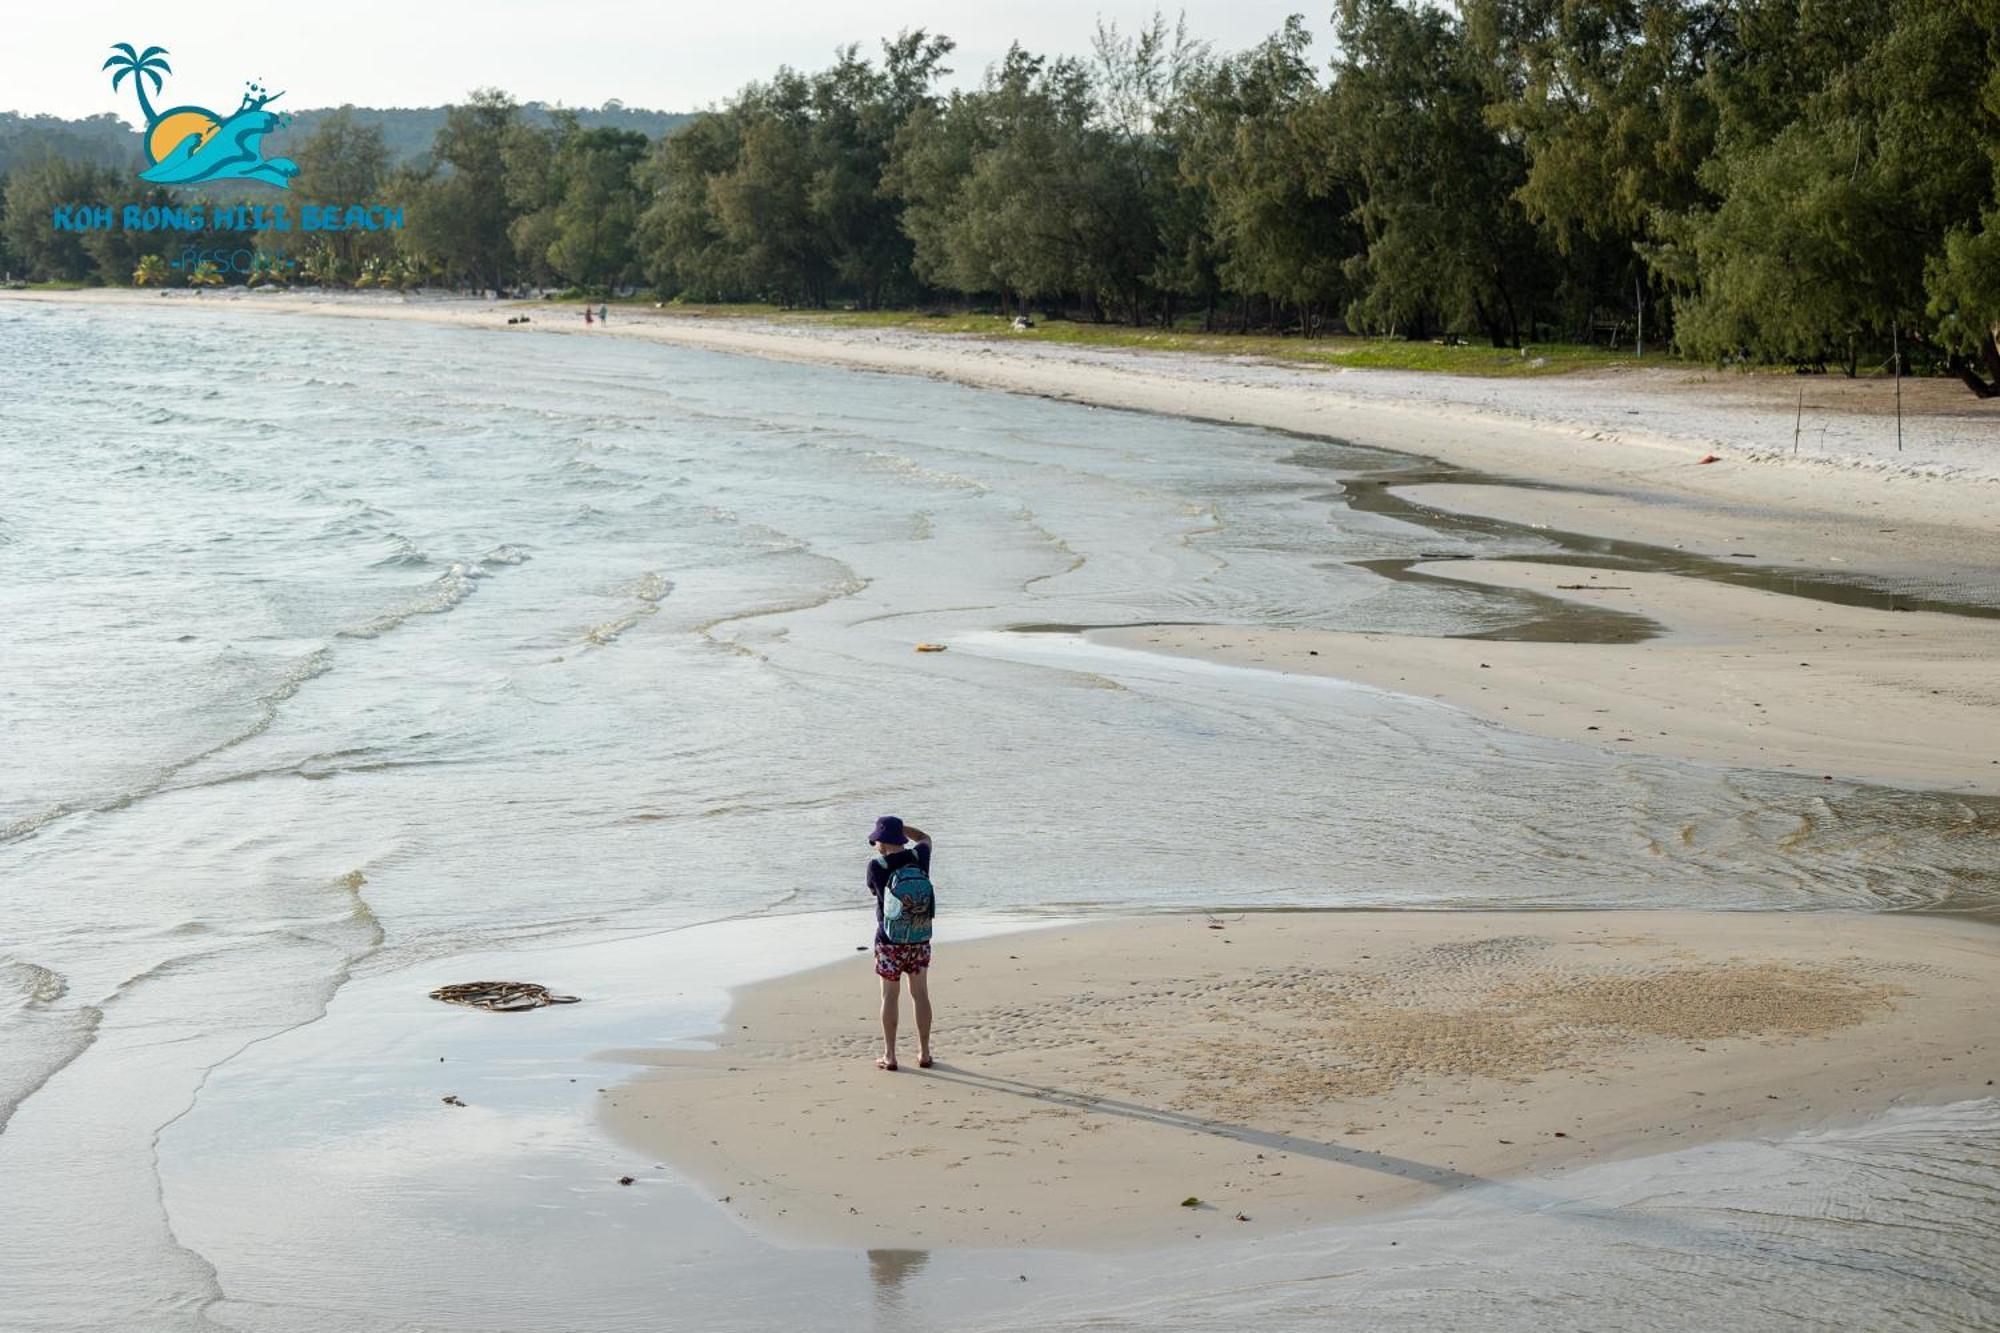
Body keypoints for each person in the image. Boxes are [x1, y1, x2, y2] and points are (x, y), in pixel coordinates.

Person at [865, 814, 933, 1071]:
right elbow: (926, 838)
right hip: (919, 937)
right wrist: (902, 829)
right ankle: (924, 1053)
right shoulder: (919, 857)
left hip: (889, 942)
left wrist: (893, 831)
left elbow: (874, 891)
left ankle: (890, 1056)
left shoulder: (876, 866)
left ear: (882, 840)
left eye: (876, 839)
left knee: (889, 997)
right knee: (921, 995)